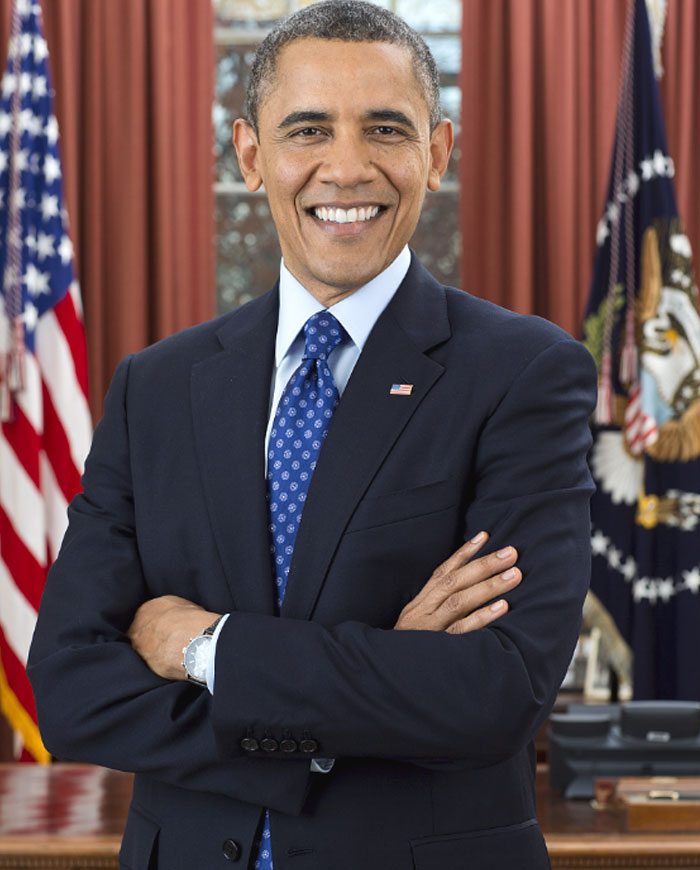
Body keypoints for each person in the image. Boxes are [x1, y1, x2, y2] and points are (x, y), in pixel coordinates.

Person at [28, 2, 597, 868]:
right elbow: (72, 689)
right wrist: (360, 702)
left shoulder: (526, 374)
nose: (346, 166)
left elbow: (496, 692)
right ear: (251, 155)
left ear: (436, 154)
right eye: (308, 129)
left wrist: (204, 647)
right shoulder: (157, 386)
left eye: (385, 129)